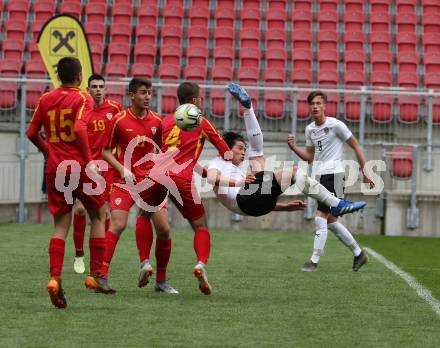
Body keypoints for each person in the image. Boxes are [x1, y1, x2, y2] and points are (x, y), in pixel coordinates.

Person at [206, 83, 366, 224]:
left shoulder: (233, 171)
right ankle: (337, 204)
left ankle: (248, 108)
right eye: (240, 148)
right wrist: (240, 183)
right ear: (227, 148)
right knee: (291, 170)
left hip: (254, 205)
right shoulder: (217, 162)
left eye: (243, 149)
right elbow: (212, 178)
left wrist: (285, 207)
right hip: (246, 201)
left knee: (260, 159)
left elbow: (253, 203)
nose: (242, 153)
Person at [26, 57, 112, 309]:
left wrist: (46, 151)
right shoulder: (83, 98)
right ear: (79, 76)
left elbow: (31, 133)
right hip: (79, 165)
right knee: (98, 215)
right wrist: (89, 162)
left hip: (56, 168)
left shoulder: (45, 99)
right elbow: (79, 129)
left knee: (61, 224)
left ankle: (55, 278)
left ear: (59, 76)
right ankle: (96, 276)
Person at [100, 78, 177, 294]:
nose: (148, 97)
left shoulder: (157, 121)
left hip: (149, 182)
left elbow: (160, 151)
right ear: (131, 95)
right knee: (118, 224)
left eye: (150, 93)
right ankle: (101, 276)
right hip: (123, 181)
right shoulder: (119, 120)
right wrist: (123, 169)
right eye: (143, 93)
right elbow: (105, 151)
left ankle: (161, 281)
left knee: (164, 229)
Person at [287, 90, 373, 272]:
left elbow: (356, 146)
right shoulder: (310, 129)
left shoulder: (336, 125)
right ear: (309, 107)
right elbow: (309, 157)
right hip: (320, 176)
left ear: (325, 106)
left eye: (319, 103)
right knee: (331, 220)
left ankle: (313, 262)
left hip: (335, 175)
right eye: (312, 104)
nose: (315, 106)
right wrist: (294, 147)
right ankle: (359, 254)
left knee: (320, 218)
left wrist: (366, 171)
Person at [161, 82, 233, 295]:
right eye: (200, 98)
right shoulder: (200, 122)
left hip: (157, 177)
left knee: (152, 222)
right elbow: (226, 152)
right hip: (182, 181)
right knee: (200, 226)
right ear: (194, 101)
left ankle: (152, 270)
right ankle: (201, 263)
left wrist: (201, 170)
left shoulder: (165, 122)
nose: (202, 101)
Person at [72, 74, 122, 274]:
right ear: (88, 88)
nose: (98, 89)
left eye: (101, 86)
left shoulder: (115, 109)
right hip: (87, 166)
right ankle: (78, 255)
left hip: (108, 167)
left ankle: (101, 259)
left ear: (106, 89)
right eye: (94, 86)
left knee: (105, 212)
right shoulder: (83, 109)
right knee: (81, 210)